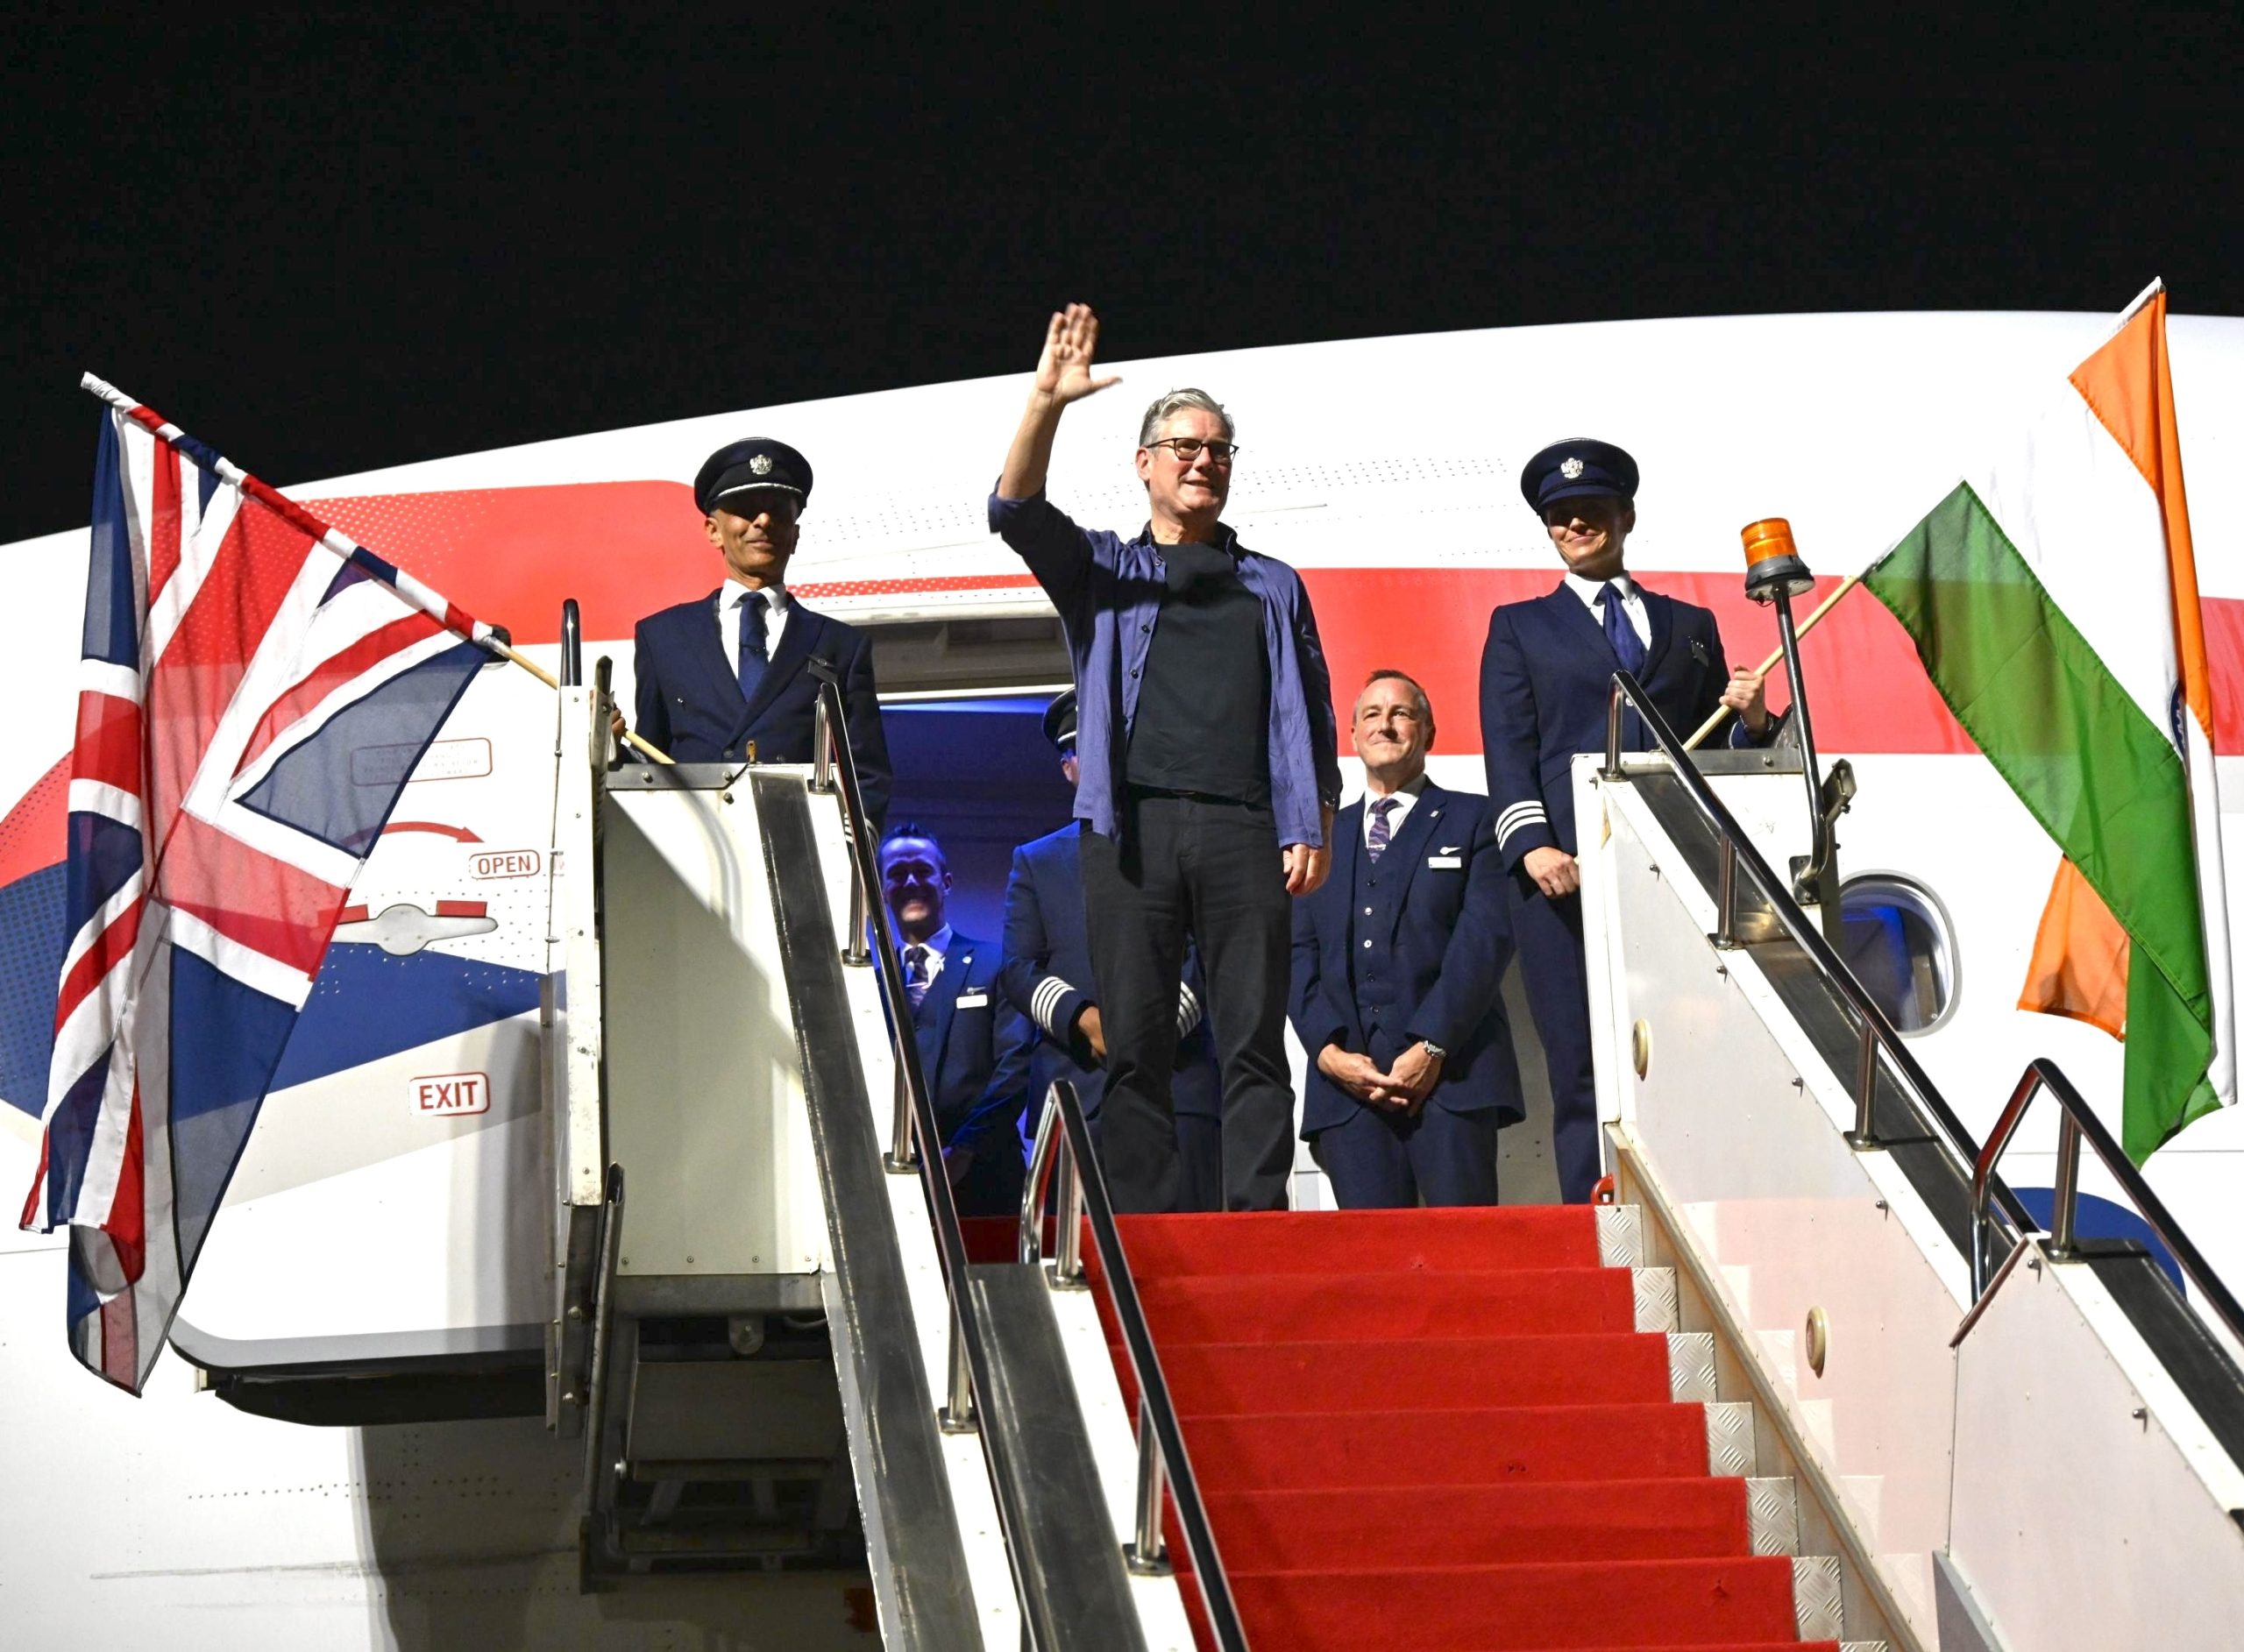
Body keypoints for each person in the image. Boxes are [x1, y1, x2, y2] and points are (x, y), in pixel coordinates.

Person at [988, 303, 1342, 1214]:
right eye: (1184, 445)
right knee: (1137, 1042)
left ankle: (1257, 1220)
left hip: (1244, 829)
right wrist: (1046, 402)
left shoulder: (1274, 584)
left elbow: (1310, 708)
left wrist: (1314, 813)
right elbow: (1014, 510)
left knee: (1254, 1041)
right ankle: (1144, 1229)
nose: (1203, 460)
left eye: (1219, 449)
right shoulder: (1104, 570)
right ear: (1144, 463)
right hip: (1131, 831)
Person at [1480, 438, 1772, 1202]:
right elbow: (1507, 746)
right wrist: (1532, 845)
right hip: (1564, 876)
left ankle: (1690, 1205)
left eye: (1592, 510)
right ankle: (1594, 1217)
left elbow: (1718, 753)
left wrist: (1754, 720)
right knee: (1580, 1060)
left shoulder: (1691, 624)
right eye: (1561, 516)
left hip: (1671, 871)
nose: (1576, 525)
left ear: (1626, 517)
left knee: (1680, 1051)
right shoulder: (1519, 627)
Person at [1292, 670, 1523, 1208]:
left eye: (1402, 713)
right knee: (1370, 1257)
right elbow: (1295, 954)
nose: (1386, 725)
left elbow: (1484, 942)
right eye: (1372, 714)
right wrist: (1328, 1054)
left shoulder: (1477, 819)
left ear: (1429, 732)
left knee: (1466, 1249)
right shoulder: (1318, 837)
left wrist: (1431, 1047)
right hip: (1347, 1093)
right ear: (1353, 734)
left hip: (1454, 1079)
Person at [998, 691, 1225, 1212]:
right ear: (1068, 768)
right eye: (1087, 751)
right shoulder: (1036, 861)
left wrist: (1147, 1035)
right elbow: (1018, 969)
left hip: (1177, 1088)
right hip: (1076, 1095)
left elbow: (1209, 953)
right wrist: (1086, 1020)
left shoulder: (1186, 846)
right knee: (1077, 1257)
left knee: (1188, 1251)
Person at [633, 437, 891, 821]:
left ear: (795, 535)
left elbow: (866, 775)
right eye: (746, 510)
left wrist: (847, 850)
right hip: (700, 847)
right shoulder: (663, 638)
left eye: (777, 511)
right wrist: (608, 748)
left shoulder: (841, 646)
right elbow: (645, 769)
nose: (764, 521)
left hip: (799, 847)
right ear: (713, 531)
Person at [878, 823, 1033, 1217]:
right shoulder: (870, 984)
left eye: (922, 870)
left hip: (988, 1176)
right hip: (894, 1180)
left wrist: (965, 1148)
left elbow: (1017, 1064)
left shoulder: (996, 963)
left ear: (945, 882)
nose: (911, 881)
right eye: (897, 873)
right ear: (882, 890)